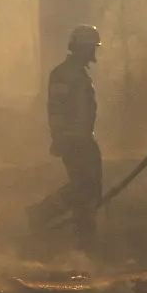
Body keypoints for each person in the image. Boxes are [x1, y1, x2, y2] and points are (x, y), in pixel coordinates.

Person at [26, 24, 103, 254]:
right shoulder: (62, 74)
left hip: (84, 139)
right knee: (84, 188)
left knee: (91, 190)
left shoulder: (79, 75)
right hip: (73, 141)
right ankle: (43, 213)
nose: (94, 53)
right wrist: (59, 137)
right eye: (91, 48)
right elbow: (56, 109)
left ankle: (85, 243)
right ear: (81, 48)